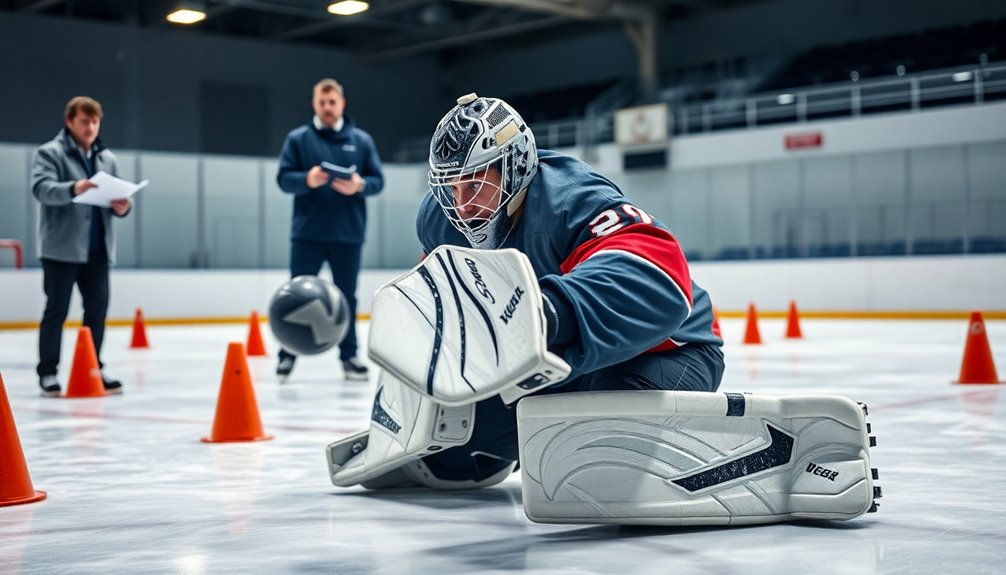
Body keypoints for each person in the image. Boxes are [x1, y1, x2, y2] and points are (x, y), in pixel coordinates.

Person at [325, 95, 880, 525]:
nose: (464, 204)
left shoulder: (572, 196)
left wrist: (546, 312)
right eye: (451, 189)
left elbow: (660, 277)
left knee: (587, 453)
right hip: (551, 363)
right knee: (453, 452)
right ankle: (496, 447)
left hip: (667, 352)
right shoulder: (440, 219)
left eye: (478, 183)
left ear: (515, 163)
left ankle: (776, 457)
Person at [275, 78, 384, 383]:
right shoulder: (297, 139)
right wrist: (306, 180)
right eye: (321, 102)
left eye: (332, 102)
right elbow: (283, 179)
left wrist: (359, 185)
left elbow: (378, 181)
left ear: (341, 104)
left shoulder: (362, 141)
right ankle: (287, 355)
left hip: (347, 235)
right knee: (294, 296)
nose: (327, 107)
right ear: (314, 104)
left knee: (346, 298)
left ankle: (349, 357)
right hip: (307, 234)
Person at [31, 96, 130, 397]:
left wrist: (123, 206)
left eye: (95, 122)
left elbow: (119, 197)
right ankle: (48, 372)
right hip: (61, 250)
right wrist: (73, 188)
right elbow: (41, 189)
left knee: (96, 311)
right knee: (56, 311)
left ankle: (93, 367)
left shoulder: (107, 159)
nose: (90, 127)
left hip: (98, 249)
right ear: (69, 122)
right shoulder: (50, 153)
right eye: (84, 121)